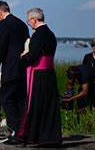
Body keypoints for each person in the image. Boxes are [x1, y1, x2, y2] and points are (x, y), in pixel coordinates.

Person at [0, 0, 29, 144]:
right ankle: (26, 132)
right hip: (23, 68)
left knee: (6, 99)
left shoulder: (3, 24)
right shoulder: (22, 24)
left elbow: (0, 49)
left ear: (0, 12)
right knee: (21, 101)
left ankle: (16, 133)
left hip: (11, 68)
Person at [17, 8, 62, 146]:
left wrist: (21, 59)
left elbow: (33, 55)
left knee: (36, 105)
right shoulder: (51, 34)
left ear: (34, 20)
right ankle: (51, 137)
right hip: (50, 73)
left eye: (29, 21)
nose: (29, 24)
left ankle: (35, 137)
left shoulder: (38, 35)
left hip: (38, 74)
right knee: (49, 106)